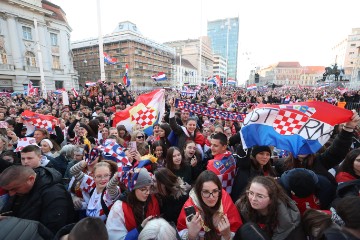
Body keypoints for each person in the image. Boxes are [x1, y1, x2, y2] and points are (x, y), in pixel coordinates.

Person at [0, 165, 74, 234]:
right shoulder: (19, 186)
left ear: (31, 179)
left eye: (14, 189)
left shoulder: (54, 194)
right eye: (8, 190)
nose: (11, 194)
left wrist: (12, 222)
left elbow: (52, 230)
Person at [177, 170, 242, 240]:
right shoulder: (190, 207)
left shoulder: (226, 200)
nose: (211, 197)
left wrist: (227, 236)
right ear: (198, 192)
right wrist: (191, 236)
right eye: (206, 192)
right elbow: (181, 231)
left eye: (215, 191)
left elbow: (236, 229)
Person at [235, 176, 304, 240]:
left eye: (260, 196)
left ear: (271, 199)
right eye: (251, 193)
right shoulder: (241, 206)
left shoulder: (289, 220)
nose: (253, 199)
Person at [106, 168, 160, 240]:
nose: (148, 192)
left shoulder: (153, 201)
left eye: (149, 188)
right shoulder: (119, 207)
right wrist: (140, 228)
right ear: (133, 189)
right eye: (143, 189)